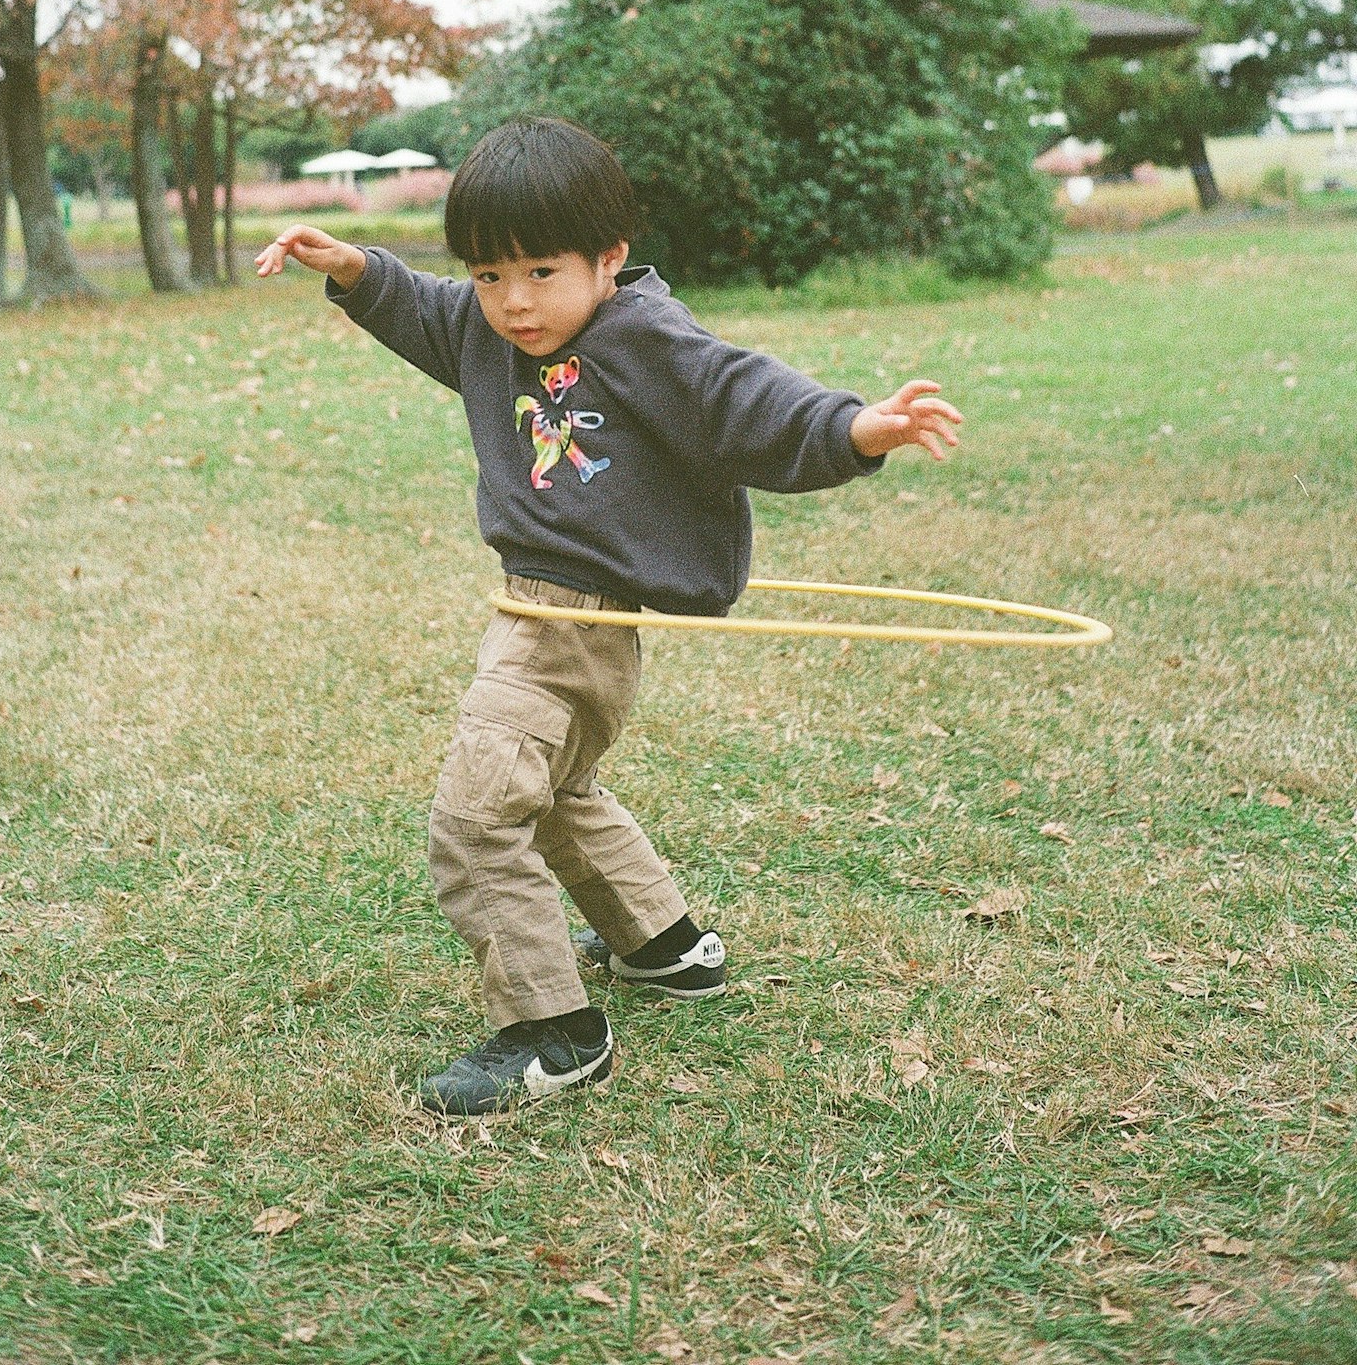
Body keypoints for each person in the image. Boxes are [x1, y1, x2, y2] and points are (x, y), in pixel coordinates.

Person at [255, 117, 961, 1118]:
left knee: (476, 816)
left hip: (572, 628)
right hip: (546, 613)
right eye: (491, 274)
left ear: (610, 258)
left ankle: (554, 1029)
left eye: (541, 271)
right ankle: (667, 947)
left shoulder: (642, 337)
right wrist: (358, 268)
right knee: (554, 792)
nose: (513, 303)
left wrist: (852, 426)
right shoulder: (488, 327)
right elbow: (423, 307)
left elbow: (742, 397)